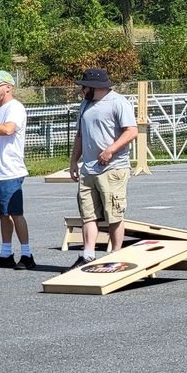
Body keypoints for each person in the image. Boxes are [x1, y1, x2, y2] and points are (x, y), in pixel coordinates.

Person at [66, 68, 138, 270]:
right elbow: (80, 135)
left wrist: (110, 150)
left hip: (113, 168)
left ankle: (116, 255)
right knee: (88, 214)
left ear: (95, 87)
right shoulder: (85, 105)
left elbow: (131, 132)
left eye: (84, 86)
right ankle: (88, 256)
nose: (81, 89)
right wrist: (73, 161)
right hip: (89, 169)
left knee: (113, 213)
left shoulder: (118, 102)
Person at [0, 71, 33, 270]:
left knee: (15, 213)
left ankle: (27, 254)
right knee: (2, 214)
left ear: (8, 86)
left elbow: (8, 129)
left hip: (10, 171)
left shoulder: (15, 107)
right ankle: (6, 253)